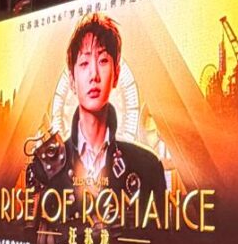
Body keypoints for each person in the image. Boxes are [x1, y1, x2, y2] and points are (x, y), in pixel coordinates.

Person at [26, 14, 167, 207]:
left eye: (102, 60)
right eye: (84, 63)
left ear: (116, 74)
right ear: (72, 80)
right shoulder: (47, 168)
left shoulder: (147, 166)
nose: (94, 75)